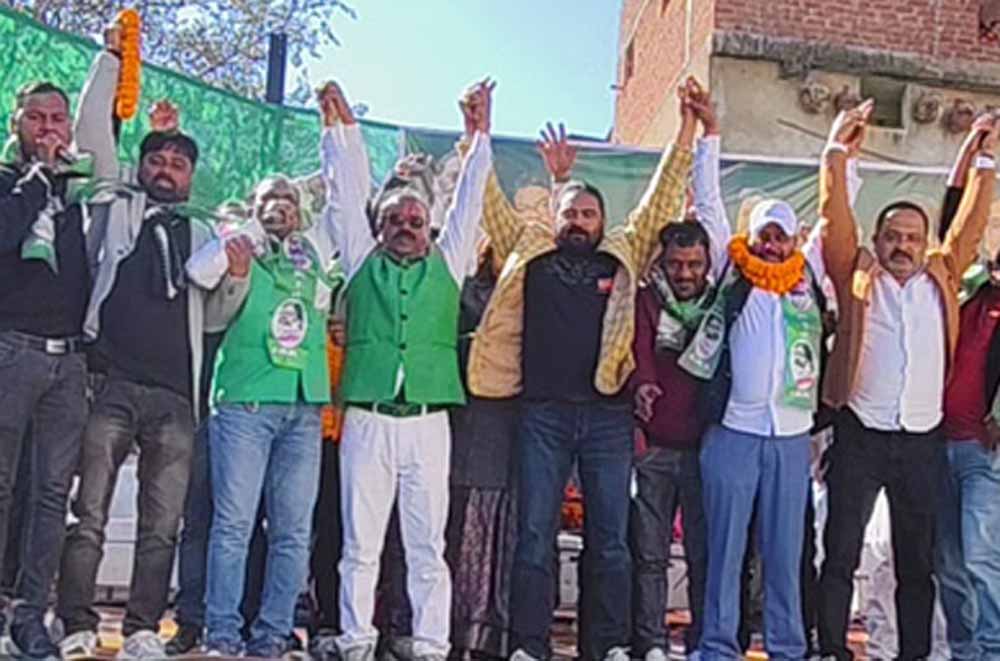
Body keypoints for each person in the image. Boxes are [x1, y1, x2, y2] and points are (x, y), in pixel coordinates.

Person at [469, 77, 696, 661]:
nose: (579, 220)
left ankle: (609, 645)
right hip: (541, 414)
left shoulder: (620, 255)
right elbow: (489, 204)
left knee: (611, 540)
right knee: (534, 536)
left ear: (602, 221)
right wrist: (478, 134)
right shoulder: (529, 253)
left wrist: (688, 130)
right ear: (556, 215)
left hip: (607, 417)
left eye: (589, 213)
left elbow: (661, 199)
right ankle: (529, 646)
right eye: (570, 212)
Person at [55, 29, 252, 661]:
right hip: (108, 381)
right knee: (87, 513)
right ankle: (76, 622)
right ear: (140, 166)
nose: (166, 169)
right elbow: (92, 131)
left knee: (162, 524)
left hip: (174, 397)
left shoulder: (202, 233)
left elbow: (214, 317)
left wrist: (237, 279)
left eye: (178, 164)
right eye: (157, 160)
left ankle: (143, 628)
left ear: (191, 177)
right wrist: (112, 59)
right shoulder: (115, 204)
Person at [817, 102, 998, 661]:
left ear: (925, 244)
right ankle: (832, 649)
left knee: (916, 564)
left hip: (922, 442)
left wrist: (986, 158)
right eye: (893, 236)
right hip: (861, 435)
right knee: (840, 553)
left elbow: (969, 224)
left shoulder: (942, 275)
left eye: (913, 238)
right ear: (877, 239)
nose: (903, 245)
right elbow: (834, 222)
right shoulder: (857, 274)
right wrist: (836, 151)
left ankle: (914, 654)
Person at [325, 76, 493, 661]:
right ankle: (355, 639)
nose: (405, 227)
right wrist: (342, 131)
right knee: (360, 544)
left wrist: (479, 136)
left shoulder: (449, 264)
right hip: (368, 418)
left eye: (415, 221)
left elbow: (468, 204)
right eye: (394, 219)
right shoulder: (359, 261)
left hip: (427, 424)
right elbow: (344, 196)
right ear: (379, 228)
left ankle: (431, 644)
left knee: (427, 544)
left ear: (429, 230)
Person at [678, 84, 830, 660]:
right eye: (764, 233)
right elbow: (709, 206)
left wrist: (840, 153)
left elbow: (834, 220)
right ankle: (718, 645)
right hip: (733, 434)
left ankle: (788, 647)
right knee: (724, 549)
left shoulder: (808, 282)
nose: (771, 243)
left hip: (790, 439)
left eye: (780, 235)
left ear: (793, 241)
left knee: (785, 553)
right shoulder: (732, 270)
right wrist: (710, 134)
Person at [187, 167, 338, 658]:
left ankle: (273, 634)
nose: (282, 205)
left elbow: (323, 302)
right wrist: (255, 226)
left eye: (289, 198)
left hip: (303, 402)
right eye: (271, 197)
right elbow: (199, 273)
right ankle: (221, 633)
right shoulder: (236, 241)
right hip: (246, 400)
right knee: (234, 524)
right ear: (253, 205)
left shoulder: (310, 254)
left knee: (293, 531)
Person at [628, 87, 725, 660]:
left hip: (708, 450)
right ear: (662, 264)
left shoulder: (722, 303)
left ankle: (704, 640)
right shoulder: (645, 300)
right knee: (648, 555)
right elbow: (637, 356)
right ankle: (649, 643)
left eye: (694, 264)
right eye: (676, 264)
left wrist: (709, 132)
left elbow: (712, 207)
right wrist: (637, 414)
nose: (685, 273)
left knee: (707, 554)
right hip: (655, 449)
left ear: (708, 264)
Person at [0, 72, 91, 657]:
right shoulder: (9, 181)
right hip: (11, 349)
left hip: (70, 361)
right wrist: (36, 179)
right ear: (17, 124)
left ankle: (31, 614)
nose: (48, 129)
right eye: (37, 118)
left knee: (53, 493)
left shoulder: (80, 191)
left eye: (58, 119)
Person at [932, 112, 1000, 661]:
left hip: (981, 448)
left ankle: (992, 645)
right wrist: (974, 147)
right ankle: (964, 650)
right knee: (948, 561)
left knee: (980, 553)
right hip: (931, 442)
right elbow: (952, 213)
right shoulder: (962, 288)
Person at [445, 236, 519, 660]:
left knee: (509, 534)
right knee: (467, 529)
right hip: (473, 425)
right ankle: (461, 634)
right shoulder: (467, 293)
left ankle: (499, 637)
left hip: (518, 429)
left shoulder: (533, 293)